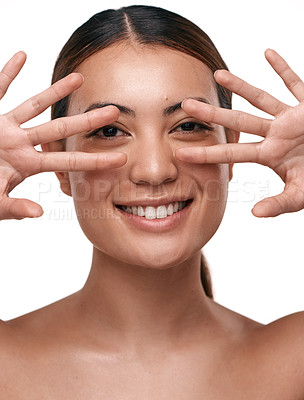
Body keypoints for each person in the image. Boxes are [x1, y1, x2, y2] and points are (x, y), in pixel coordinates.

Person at [0, 4, 304, 398]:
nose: (155, 170)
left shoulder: (293, 362)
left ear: (231, 147)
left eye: (188, 126)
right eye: (109, 130)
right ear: (58, 162)